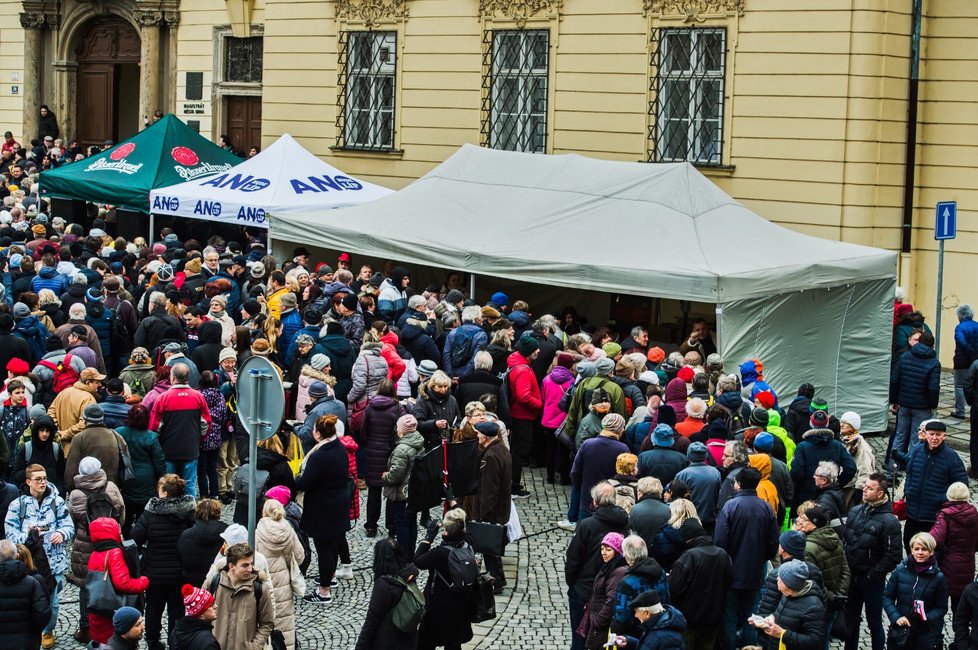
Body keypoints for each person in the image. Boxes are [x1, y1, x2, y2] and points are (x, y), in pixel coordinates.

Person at [4, 463, 74, 649]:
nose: (43, 482)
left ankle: (48, 630)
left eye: (45, 478)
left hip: (54, 563)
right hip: (28, 562)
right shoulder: (17, 505)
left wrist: (61, 533)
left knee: (53, 601)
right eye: (38, 479)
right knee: (28, 598)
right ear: (28, 482)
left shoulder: (57, 502)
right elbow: (10, 534)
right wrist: (29, 537)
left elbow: (69, 526)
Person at [713, 466, 779, 650]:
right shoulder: (765, 507)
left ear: (739, 484)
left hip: (732, 571)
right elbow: (773, 541)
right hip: (755, 571)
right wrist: (762, 558)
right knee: (752, 615)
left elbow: (720, 540)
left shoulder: (730, 506)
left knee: (730, 614)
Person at [132, 474, 196, 650]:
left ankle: (152, 642)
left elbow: (136, 536)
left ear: (165, 493)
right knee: (177, 610)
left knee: (153, 608)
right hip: (179, 572)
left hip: (154, 571)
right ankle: (174, 642)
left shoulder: (151, 511)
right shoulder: (189, 510)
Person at [295, 413, 352, 605]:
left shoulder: (320, 455)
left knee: (324, 548)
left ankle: (324, 591)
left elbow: (307, 482)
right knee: (333, 544)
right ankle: (331, 577)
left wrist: (293, 481)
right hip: (337, 503)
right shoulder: (338, 447)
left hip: (324, 507)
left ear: (318, 433)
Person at [68, 456, 125, 643]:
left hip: (86, 546)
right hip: (112, 542)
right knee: (114, 583)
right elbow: (121, 512)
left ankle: (86, 627)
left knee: (85, 586)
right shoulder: (111, 487)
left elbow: (72, 520)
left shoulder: (76, 495)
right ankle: (116, 623)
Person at [566, 481, 630, 650]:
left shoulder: (587, 524)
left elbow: (573, 558)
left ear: (595, 502)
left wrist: (572, 583)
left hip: (585, 588)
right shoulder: (626, 524)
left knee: (579, 637)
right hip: (612, 588)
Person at [842, 472, 902, 650]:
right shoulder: (855, 511)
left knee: (874, 621)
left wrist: (872, 575)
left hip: (871, 581)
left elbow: (893, 556)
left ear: (881, 493)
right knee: (850, 619)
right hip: (852, 577)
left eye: (869, 488)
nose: (864, 490)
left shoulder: (889, 522)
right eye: (865, 486)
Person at [414, 508, 478, 650]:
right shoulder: (469, 544)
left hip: (438, 607)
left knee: (425, 643)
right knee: (454, 644)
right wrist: (454, 502)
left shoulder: (439, 553)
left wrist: (428, 537)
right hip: (462, 605)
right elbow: (465, 527)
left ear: (445, 532)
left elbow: (418, 561)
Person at [668, 518, 733, 650]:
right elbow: (729, 581)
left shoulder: (689, 556)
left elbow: (674, 589)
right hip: (714, 618)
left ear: (688, 539)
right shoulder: (723, 554)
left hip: (689, 620)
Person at [903, 420, 968, 550]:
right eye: (931, 434)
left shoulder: (951, 457)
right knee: (909, 544)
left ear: (944, 436)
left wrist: (941, 499)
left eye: (938, 435)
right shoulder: (916, 451)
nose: (934, 438)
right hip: (912, 513)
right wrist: (909, 490)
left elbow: (961, 484)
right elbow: (909, 472)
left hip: (934, 516)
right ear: (925, 434)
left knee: (929, 550)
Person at [149, 364, 212, 498]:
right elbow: (206, 423)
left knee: (169, 485)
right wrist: (197, 439)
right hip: (191, 449)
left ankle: (169, 513)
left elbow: (155, 428)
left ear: (172, 378)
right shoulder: (198, 397)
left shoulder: (163, 398)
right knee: (189, 483)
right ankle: (189, 513)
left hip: (168, 450)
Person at [86, 517, 149, 644]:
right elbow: (123, 583)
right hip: (112, 610)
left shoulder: (95, 552)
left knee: (100, 642)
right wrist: (143, 581)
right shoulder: (114, 553)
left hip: (97, 609)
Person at [794, 504, 850, 642]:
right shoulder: (834, 538)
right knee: (824, 639)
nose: (799, 521)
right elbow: (845, 570)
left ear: (814, 525)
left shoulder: (807, 548)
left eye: (804, 519)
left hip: (816, 603)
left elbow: (812, 581)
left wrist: (831, 598)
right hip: (832, 602)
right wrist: (838, 595)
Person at [883, 532, 948, 650]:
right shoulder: (900, 570)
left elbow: (941, 608)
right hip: (900, 630)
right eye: (916, 548)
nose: (920, 552)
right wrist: (896, 617)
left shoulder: (938, 578)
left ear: (931, 551)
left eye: (924, 549)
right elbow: (887, 597)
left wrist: (926, 617)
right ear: (911, 550)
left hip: (924, 632)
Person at [255, 498, 304, 650]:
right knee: (285, 623)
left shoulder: (258, 532)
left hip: (265, 582)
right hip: (284, 581)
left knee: (266, 620)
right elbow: (300, 556)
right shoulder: (287, 529)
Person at [355, 537, 420, 650]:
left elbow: (372, 620)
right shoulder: (409, 575)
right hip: (409, 639)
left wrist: (360, 647)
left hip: (387, 641)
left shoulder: (384, 584)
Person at [208, 542, 275, 649]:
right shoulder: (213, 583)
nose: (250, 569)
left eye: (251, 564)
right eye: (245, 565)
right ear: (231, 566)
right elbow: (200, 615)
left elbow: (267, 623)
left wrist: (254, 647)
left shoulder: (260, 589)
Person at [889, 330, 941, 463]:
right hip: (922, 407)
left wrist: (894, 400)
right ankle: (910, 470)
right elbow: (933, 388)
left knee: (899, 437)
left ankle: (891, 470)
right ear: (932, 346)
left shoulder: (905, 356)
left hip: (904, 404)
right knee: (916, 440)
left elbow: (895, 380)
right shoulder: (934, 363)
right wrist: (933, 405)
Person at [750, 559, 826, 650]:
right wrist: (765, 620)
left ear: (790, 583)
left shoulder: (814, 606)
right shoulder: (787, 594)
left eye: (781, 578)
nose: (777, 578)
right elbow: (786, 617)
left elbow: (815, 642)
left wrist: (782, 634)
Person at [361, 378, 403, 537]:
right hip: (391, 452)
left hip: (373, 452)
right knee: (391, 491)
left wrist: (369, 444)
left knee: (373, 491)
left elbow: (363, 430)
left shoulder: (370, 407)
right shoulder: (398, 408)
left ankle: (371, 525)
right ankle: (392, 527)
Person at [789, 409, 857, 507]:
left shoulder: (802, 447)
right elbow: (851, 468)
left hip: (806, 496)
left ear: (810, 423)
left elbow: (796, 473)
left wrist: (804, 485)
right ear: (827, 424)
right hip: (829, 496)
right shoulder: (837, 445)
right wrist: (836, 483)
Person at [930, 482, 978, 617]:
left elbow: (936, 540)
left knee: (939, 602)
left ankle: (935, 635)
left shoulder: (945, 515)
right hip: (967, 564)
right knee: (960, 606)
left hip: (947, 564)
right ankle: (960, 636)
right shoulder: (974, 513)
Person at [473, 420, 511, 590]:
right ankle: (497, 579)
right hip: (501, 508)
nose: (477, 436)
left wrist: (483, 516)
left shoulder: (490, 457)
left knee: (490, 549)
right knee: (492, 549)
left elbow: (489, 490)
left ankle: (496, 581)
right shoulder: (501, 449)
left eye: (478, 433)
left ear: (485, 437)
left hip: (492, 511)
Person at [571, 413, 630, 521]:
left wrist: (582, 489)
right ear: (618, 429)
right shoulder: (622, 449)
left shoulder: (587, 444)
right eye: (622, 427)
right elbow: (626, 477)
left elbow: (575, 472)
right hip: (610, 503)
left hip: (587, 500)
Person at [610, 535, 670, 638]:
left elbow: (622, 618)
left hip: (636, 635)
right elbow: (667, 599)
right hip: (660, 626)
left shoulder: (627, 583)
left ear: (628, 556)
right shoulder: (661, 572)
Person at [383, 413, 425, 551]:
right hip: (413, 490)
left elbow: (396, 475)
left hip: (402, 493)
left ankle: (403, 555)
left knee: (401, 523)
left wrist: (385, 476)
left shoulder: (402, 449)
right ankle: (410, 552)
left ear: (401, 430)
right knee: (412, 522)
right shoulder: (418, 442)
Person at [0, 537, 50, 650]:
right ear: (17, 556)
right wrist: (34, 631)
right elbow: (42, 613)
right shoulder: (32, 583)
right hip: (27, 642)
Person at [580, 532, 628, 649]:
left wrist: (598, 621)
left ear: (617, 551)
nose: (603, 552)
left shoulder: (618, 572)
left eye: (608, 549)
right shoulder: (608, 566)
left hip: (603, 627)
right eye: (602, 548)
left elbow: (612, 599)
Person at [64, 404, 127, 491]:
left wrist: (71, 490)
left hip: (87, 492)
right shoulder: (116, 436)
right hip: (111, 490)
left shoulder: (79, 438)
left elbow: (72, 470)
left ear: (85, 420)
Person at [48, 366, 102, 454]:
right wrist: (65, 434)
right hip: (77, 449)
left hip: (58, 448)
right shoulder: (89, 399)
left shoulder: (64, 392)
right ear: (88, 382)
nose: (100, 385)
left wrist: (57, 430)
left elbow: (50, 413)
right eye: (97, 382)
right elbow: (85, 424)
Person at [609, 589, 687, 650]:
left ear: (647, 613)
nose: (636, 615)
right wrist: (629, 641)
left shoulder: (667, 639)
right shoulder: (655, 625)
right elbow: (650, 645)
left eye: (637, 612)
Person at [673, 441, 721, 530]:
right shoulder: (715, 472)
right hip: (710, 520)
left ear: (689, 456)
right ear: (705, 455)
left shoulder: (682, 475)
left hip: (688, 521)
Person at [839, 411, 875, 508]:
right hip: (844, 485)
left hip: (851, 489)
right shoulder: (843, 440)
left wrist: (860, 489)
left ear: (853, 426)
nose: (841, 425)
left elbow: (865, 470)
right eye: (841, 422)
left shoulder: (859, 446)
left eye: (846, 423)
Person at [169, 584, 220, 650]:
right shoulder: (208, 642)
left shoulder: (175, 632)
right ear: (201, 613)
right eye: (211, 605)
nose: (215, 606)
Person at [629, 476, 670, 548]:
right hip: (663, 552)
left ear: (640, 492)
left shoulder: (634, 510)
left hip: (640, 551)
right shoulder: (668, 510)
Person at [953, 303, 978, 419]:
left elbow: (962, 342)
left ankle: (960, 411)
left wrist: (971, 354)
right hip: (976, 360)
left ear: (960, 315)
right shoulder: (977, 325)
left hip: (962, 361)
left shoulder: (960, 327)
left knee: (959, 386)